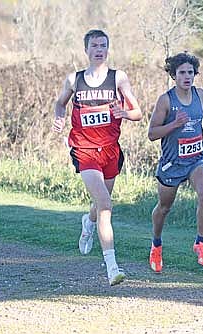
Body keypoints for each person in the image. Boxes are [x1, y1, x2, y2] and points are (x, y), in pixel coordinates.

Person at [52, 29, 142, 286]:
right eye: (94, 45)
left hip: (110, 150)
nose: (99, 49)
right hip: (84, 150)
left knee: (101, 203)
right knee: (105, 204)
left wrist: (123, 112)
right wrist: (59, 117)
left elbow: (137, 112)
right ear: (87, 50)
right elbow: (60, 103)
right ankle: (112, 267)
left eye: (103, 45)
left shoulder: (118, 78)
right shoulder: (74, 80)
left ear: (108, 49)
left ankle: (88, 222)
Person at [147, 52, 203, 273]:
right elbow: (152, 133)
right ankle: (156, 245)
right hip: (172, 163)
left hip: (196, 157)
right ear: (174, 76)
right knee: (164, 207)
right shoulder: (166, 100)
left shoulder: (201, 94)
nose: (187, 76)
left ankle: (200, 243)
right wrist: (174, 124)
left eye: (190, 72)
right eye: (182, 73)